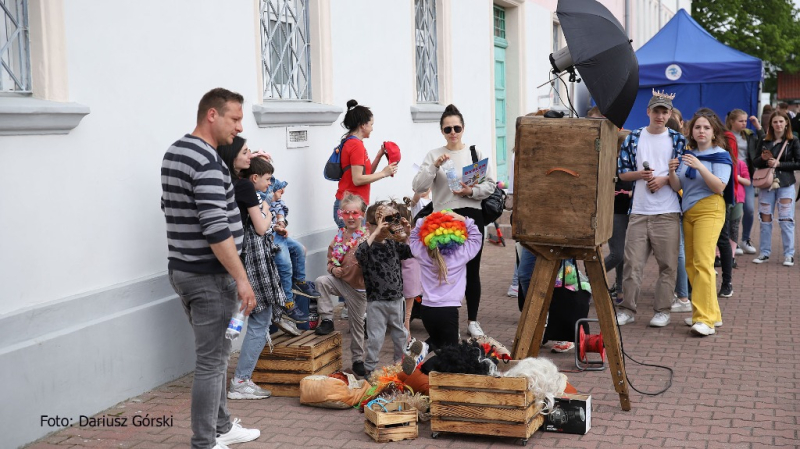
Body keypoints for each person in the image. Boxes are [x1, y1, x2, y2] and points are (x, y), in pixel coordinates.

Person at [161, 88, 259, 448]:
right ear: (212, 115)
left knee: (216, 354)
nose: (239, 127)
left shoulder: (176, 151)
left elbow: (170, 206)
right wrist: (241, 279)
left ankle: (221, 425)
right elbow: (215, 228)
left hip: (184, 270)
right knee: (211, 361)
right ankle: (205, 441)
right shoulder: (205, 160)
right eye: (234, 119)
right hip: (208, 278)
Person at [217, 139, 300, 403]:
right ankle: (240, 381)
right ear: (253, 176)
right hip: (254, 260)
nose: (269, 183)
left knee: (246, 314)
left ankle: (238, 375)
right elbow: (262, 227)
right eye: (267, 178)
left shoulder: (234, 184)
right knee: (259, 317)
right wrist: (265, 209)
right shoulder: (245, 188)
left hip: (247, 259)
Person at [412, 104, 496, 338]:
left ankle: (473, 320)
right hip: (443, 220)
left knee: (472, 268)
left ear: (463, 128)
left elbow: (490, 185)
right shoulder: (434, 154)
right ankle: (450, 321)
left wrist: (470, 191)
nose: (452, 132)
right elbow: (418, 186)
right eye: (447, 129)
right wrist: (434, 166)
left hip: (471, 215)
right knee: (444, 268)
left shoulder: (474, 153)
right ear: (442, 131)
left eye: (456, 127)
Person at [615, 90, 685, 328]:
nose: (660, 115)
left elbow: (683, 178)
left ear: (669, 114)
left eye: (665, 111)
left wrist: (664, 179)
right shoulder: (634, 137)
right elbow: (622, 173)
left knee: (668, 265)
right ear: (648, 111)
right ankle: (627, 309)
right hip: (639, 211)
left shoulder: (678, 139)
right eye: (656, 110)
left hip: (667, 210)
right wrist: (642, 175)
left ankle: (662, 310)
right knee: (632, 263)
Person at [668, 112, 733, 336]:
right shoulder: (687, 155)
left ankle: (704, 320)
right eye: (697, 127)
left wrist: (700, 166)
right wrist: (671, 171)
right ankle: (711, 313)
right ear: (691, 132)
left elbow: (719, 187)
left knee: (704, 263)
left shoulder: (720, 155)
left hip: (711, 208)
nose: (701, 131)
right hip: (689, 211)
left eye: (706, 127)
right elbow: (678, 184)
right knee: (691, 265)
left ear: (714, 132)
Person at [405, 210, 482, 373]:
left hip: (426, 310)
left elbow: (413, 237)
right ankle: (424, 369)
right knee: (453, 355)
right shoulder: (461, 254)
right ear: (456, 235)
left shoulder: (422, 252)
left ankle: (424, 348)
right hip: (448, 311)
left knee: (439, 341)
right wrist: (465, 220)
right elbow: (476, 238)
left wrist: (423, 222)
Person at [355, 201, 413, 378]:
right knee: (375, 337)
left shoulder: (392, 244)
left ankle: (400, 365)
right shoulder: (368, 246)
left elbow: (409, 252)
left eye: (390, 222)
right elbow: (359, 254)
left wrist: (407, 233)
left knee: (400, 334)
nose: (385, 227)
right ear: (371, 225)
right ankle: (370, 369)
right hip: (376, 301)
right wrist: (375, 232)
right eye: (382, 223)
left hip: (396, 298)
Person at [314, 193, 369, 377]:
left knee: (357, 326)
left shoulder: (367, 237)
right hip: (340, 282)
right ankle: (328, 319)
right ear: (341, 215)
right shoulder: (339, 236)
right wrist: (332, 270)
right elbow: (330, 260)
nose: (351, 217)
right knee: (321, 281)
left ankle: (358, 360)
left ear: (362, 214)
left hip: (359, 290)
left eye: (354, 213)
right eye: (346, 214)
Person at [333, 99, 397, 228]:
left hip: (353, 205)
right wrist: (384, 173)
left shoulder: (352, 142)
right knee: (353, 247)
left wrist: (378, 156)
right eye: (371, 124)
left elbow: (366, 175)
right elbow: (358, 180)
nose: (372, 128)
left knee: (353, 245)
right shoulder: (356, 145)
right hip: (350, 209)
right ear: (363, 125)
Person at [752, 111, 800, 266]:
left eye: (781, 121)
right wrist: (764, 159)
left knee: (786, 219)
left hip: (786, 183)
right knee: (765, 219)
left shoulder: (793, 141)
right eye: (775, 122)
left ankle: (789, 254)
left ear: (786, 123)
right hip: (767, 185)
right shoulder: (765, 140)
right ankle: (764, 253)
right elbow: (755, 162)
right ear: (771, 124)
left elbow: (798, 163)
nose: (778, 125)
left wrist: (779, 164)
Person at [726, 109, 765, 254]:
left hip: (745, 174)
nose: (744, 123)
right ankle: (731, 241)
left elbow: (764, 142)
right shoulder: (724, 136)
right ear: (731, 121)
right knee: (730, 209)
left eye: (745, 121)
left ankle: (745, 239)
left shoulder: (748, 135)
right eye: (740, 121)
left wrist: (758, 127)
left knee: (749, 209)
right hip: (729, 175)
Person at [399, 199, 423, 341]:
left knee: (405, 312)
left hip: (409, 278)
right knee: (406, 312)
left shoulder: (408, 236)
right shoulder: (411, 236)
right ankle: (406, 336)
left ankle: (406, 336)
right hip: (411, 279)